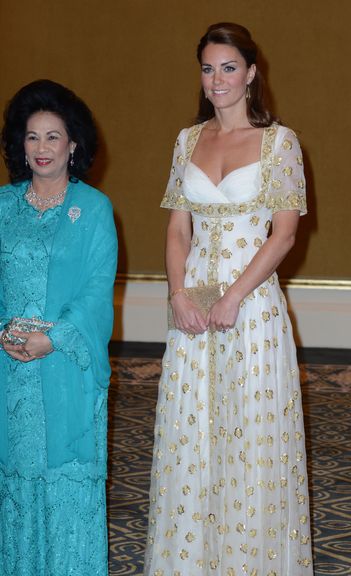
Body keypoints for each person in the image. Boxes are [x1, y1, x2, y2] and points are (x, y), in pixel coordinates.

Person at [144, 22, 313, 575]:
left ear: (252, 73)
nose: (217, 80)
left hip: (252, 308)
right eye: (208, 68)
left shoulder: (279, 143)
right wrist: (179, 295)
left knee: (251, 440)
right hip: (192, 310)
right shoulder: (186, 140)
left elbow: (283, 234)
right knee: (191, 436)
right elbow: (176, 232)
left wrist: (235, 296)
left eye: (228, 67)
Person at [0, 79, 117, 575]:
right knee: (17, 480)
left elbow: (96, 291)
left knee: (66, 479)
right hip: (9, 371)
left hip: (67, 366)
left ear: (73, 144)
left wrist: (55, 336)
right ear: (19, 146)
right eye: (32, 137)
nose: (42, 148)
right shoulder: (3, 207)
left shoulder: (92, 210)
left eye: (53, 136)